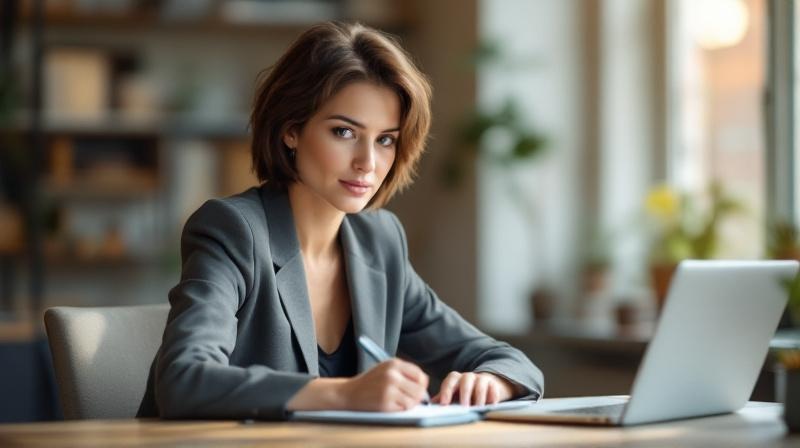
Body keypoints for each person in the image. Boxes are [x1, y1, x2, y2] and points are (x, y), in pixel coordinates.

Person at [137, 21, 544, 420]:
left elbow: (507, 360)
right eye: (344, 132)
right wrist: (346, 393)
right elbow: (183, 380)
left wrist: (493, 381)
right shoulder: (233, 230)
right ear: (291, 130)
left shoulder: (379, 241)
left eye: (385, 139)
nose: (368, 163)